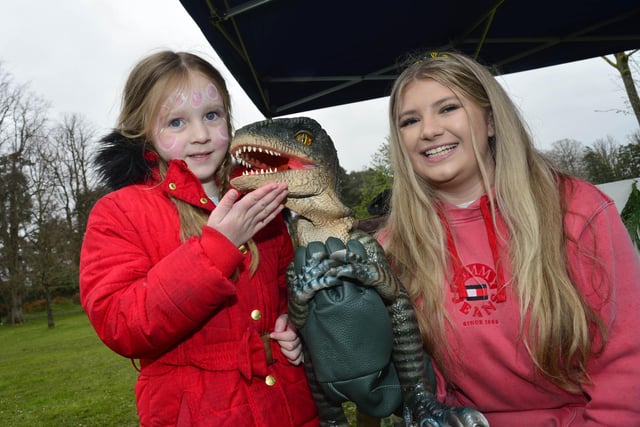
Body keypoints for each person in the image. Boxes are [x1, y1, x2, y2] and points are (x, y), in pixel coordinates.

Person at [378, 51, 640, 426]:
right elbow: (379, 368)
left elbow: (628, 359)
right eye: (410, 120)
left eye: (448, 108)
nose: (429, 130)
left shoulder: (576, 211)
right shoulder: (393, 247)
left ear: (489, 121)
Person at [79, 50, 319, 426]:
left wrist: (292, 325)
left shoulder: (255, 199)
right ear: (144, 130)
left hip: (286, 405)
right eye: (176, 122)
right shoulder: (119, 212)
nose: (202, 135)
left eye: (212, 115)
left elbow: (285, 287)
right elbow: (121, 323)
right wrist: (217, 248)